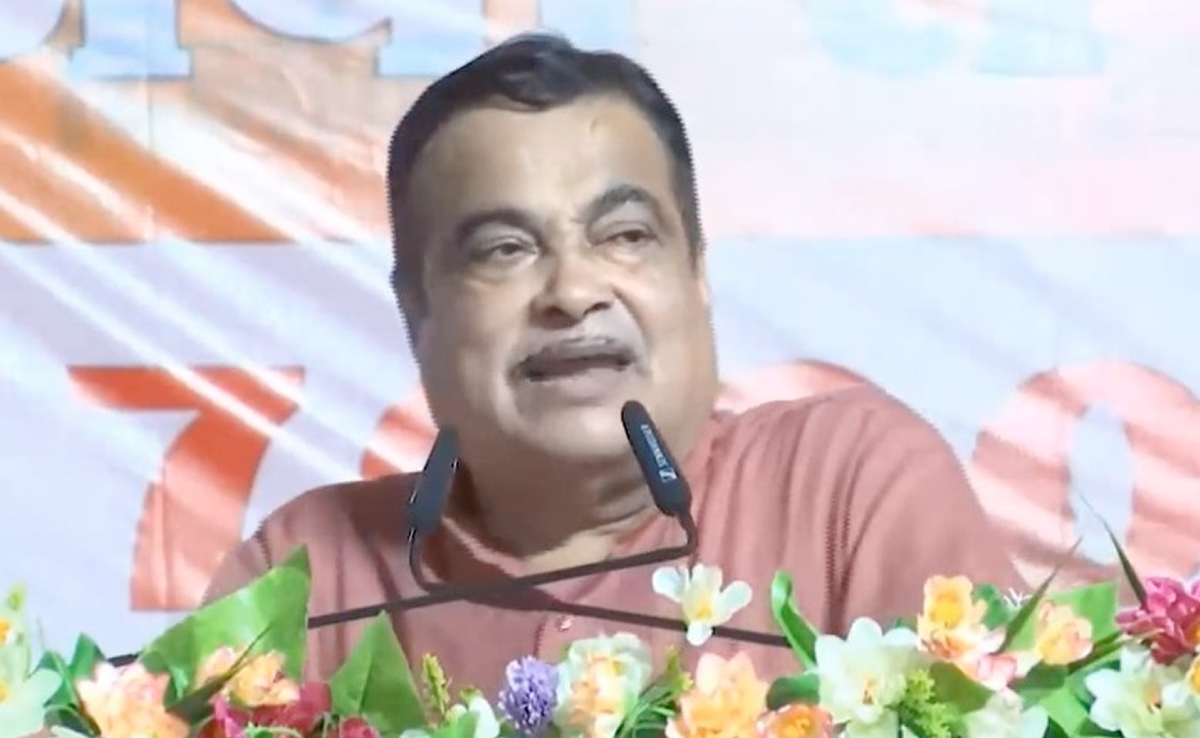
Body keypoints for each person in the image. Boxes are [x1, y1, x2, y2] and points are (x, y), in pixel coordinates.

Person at [204, 33, 1024, 694]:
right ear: (415, 310)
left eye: (625, 236)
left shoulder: (845, 487)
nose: (572, 291)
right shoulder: (310, 576)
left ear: (696, 272)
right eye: (504, 249)